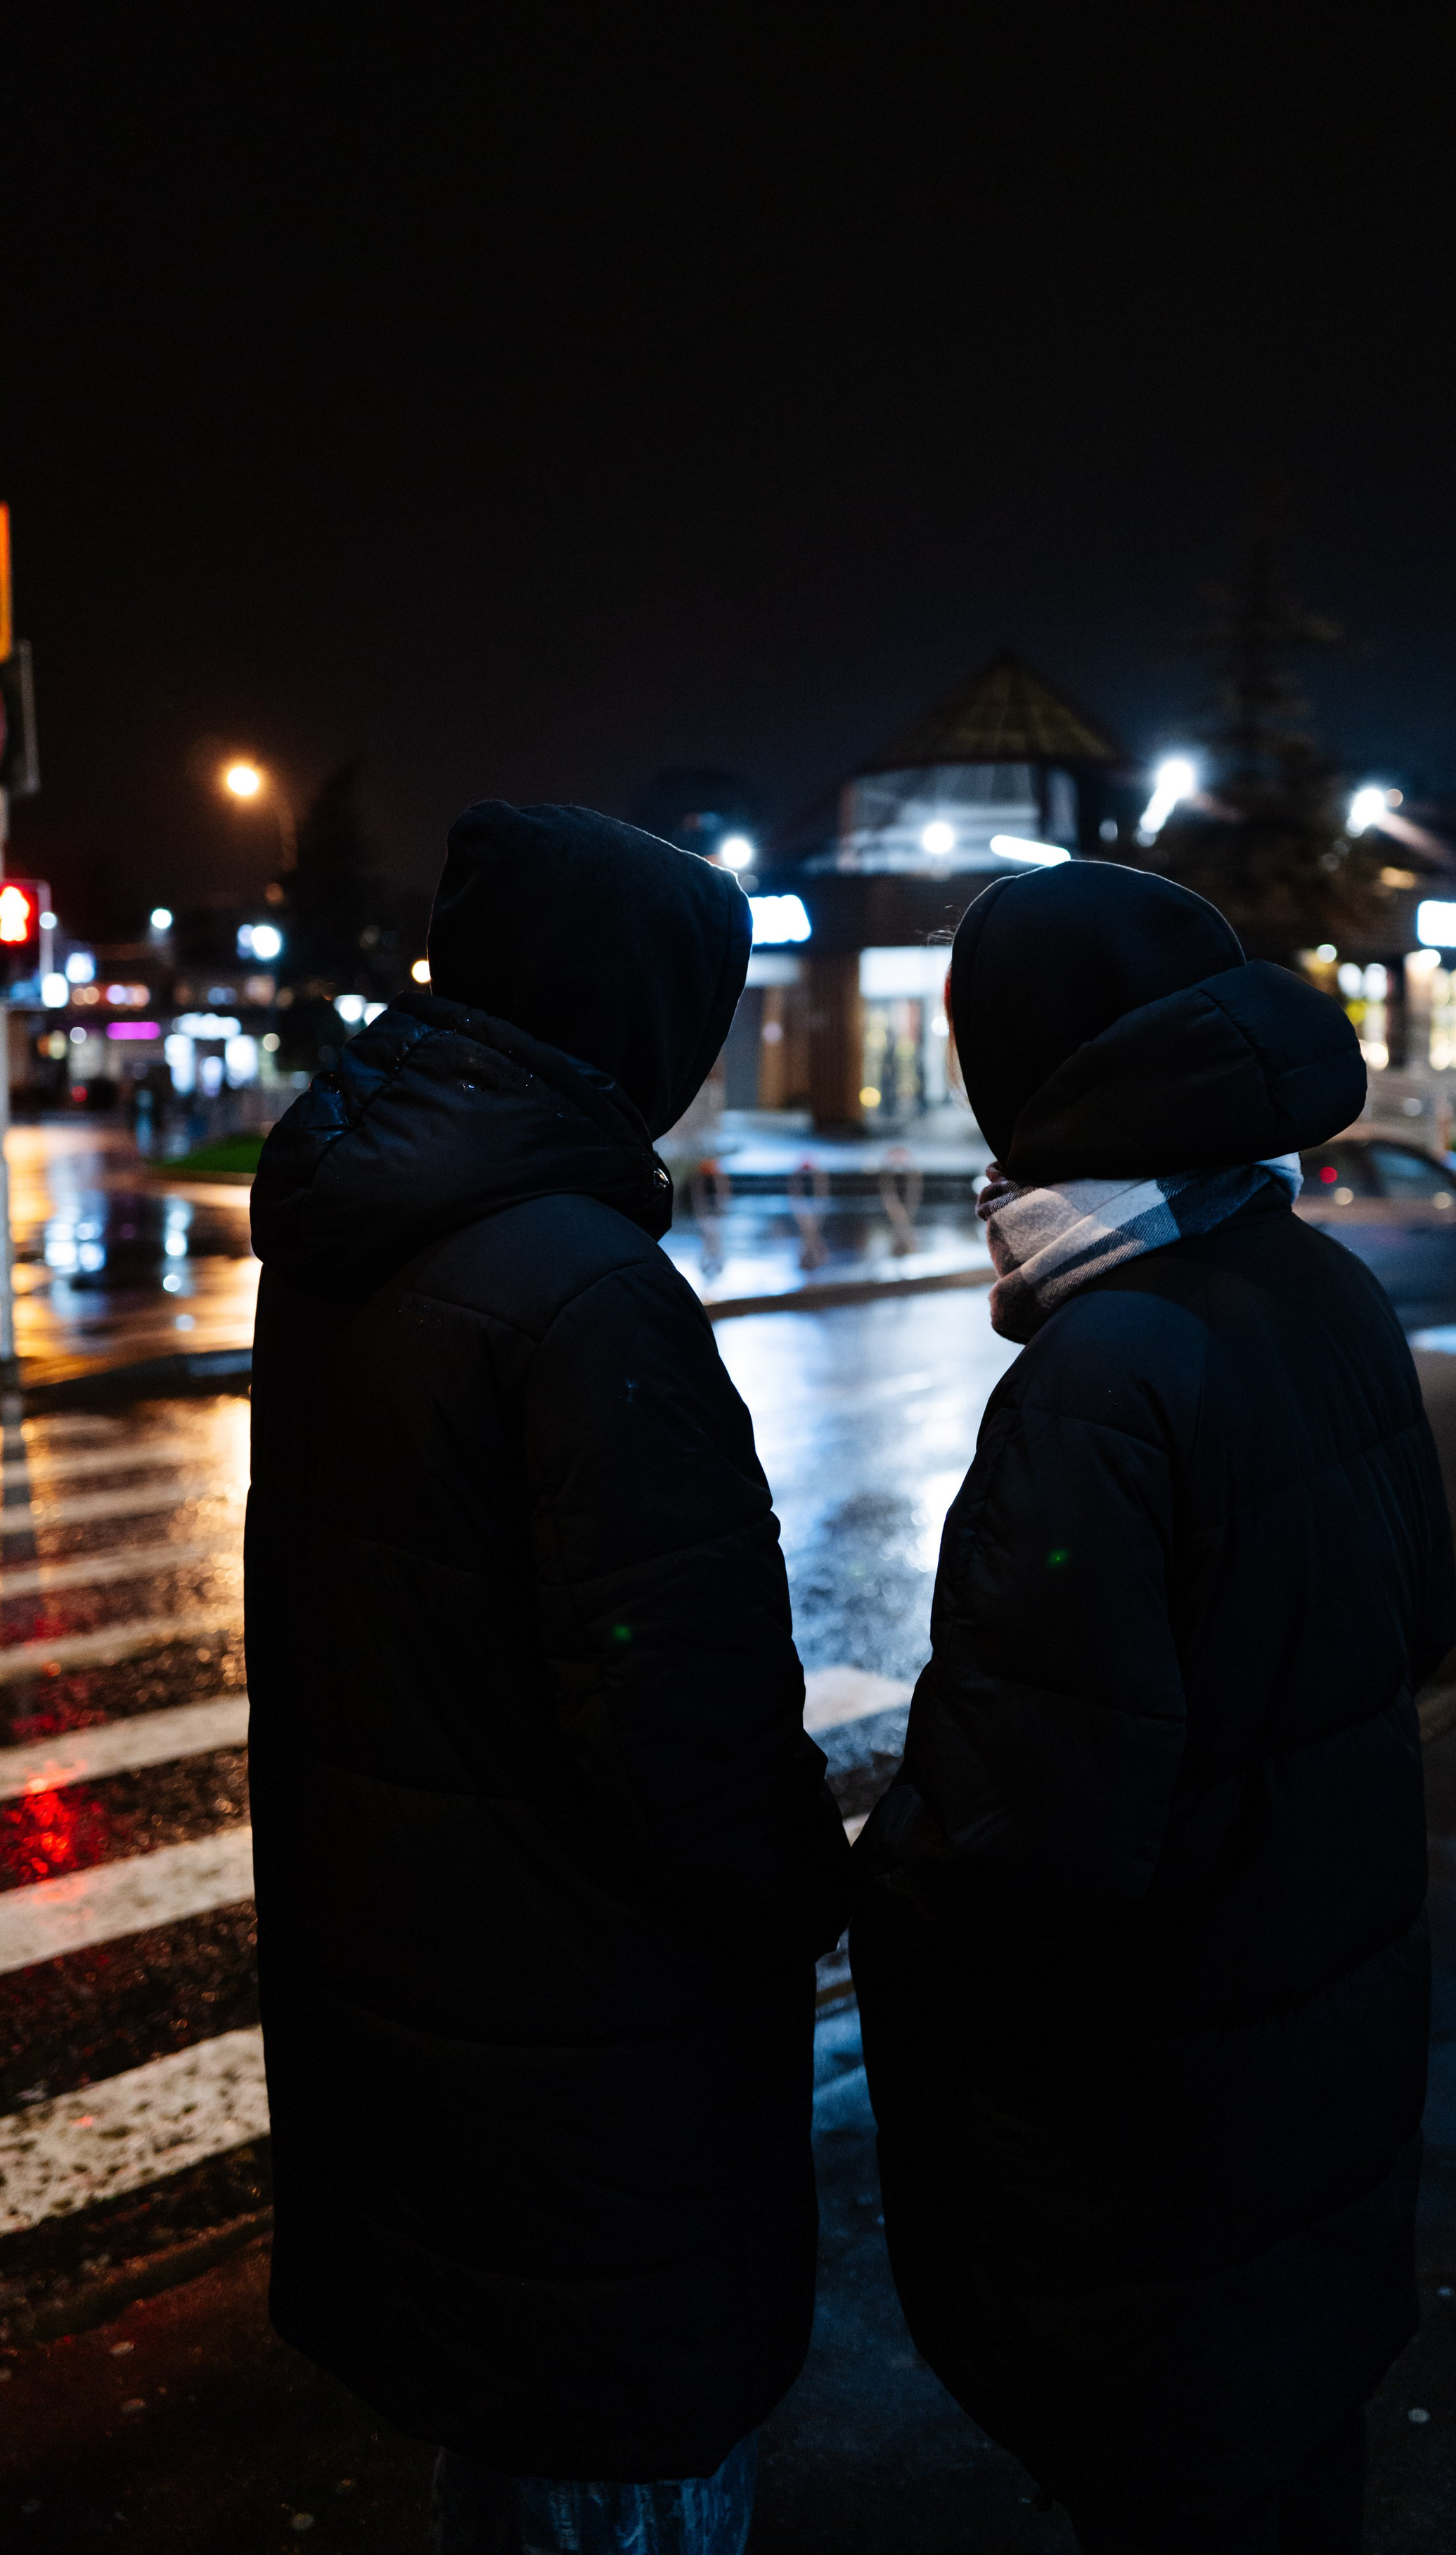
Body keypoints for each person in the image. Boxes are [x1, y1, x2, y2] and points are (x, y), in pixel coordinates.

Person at [247, 803, 849, 2554]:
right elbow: (688, 1728)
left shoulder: (368, 1235)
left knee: (503, 2459)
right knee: (616, 2468)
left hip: (430, 2019)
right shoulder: (589, 1298)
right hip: (599, 2071)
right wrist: (805, 1894)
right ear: (632, 1016)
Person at [851, 861, 1456, 2555]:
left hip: (1157, 2107)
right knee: (1287, 2464)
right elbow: (1420, 1619)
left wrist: (871, 1883)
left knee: (1173, 2480)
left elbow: (1020, 1831)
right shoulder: (1317, 1286)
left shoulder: (1100, 1373)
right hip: (1320, 2038)